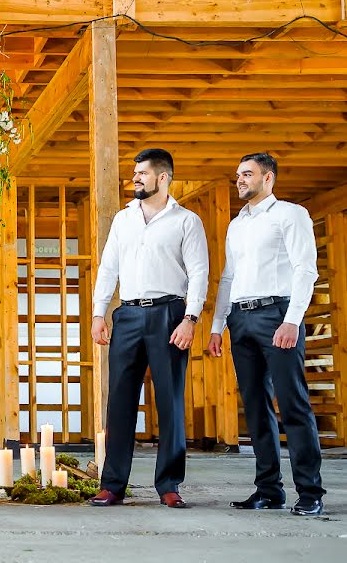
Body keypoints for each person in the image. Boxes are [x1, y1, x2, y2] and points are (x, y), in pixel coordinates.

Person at [89, 148, 209, 509]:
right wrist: (98, 313)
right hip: (127, 316)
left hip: (170, 315)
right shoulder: (123, 220)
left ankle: (169, 485)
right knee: (120, 404)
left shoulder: (186, 221)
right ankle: (112, 485)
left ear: (163, 177)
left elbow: (199, 272)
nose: (136, 178)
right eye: (134, 173)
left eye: (142, 173)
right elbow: (108, 267)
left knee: (170, 402)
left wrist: (190, 319)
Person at [208, 153, 325, 516]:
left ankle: (310, 493)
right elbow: (228, 277)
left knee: (293, 405)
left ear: (268, 178)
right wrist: (217, 326)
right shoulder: (237, 224)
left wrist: (292, 320)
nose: (240, 180)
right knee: (256, 409)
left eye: (247, 174)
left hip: (277, 314)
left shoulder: (290, 215)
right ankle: (269, 490)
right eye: (238, 175)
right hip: (241, 320)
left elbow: (306, 269)